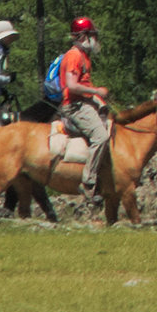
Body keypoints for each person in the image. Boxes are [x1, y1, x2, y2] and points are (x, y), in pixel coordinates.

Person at [51, 17, 112, 190]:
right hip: (75, 106)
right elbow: (71, 85)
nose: (96, 40)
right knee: (101, 137)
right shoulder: (74, 56)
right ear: (84, 36)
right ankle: (88, 182)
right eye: (93, 35)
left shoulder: (84, 56)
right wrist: (96, 91)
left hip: (84, 101)